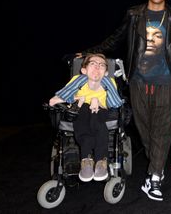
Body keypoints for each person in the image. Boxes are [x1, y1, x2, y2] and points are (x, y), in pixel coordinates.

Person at [78, 0, 171, 201]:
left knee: (163, 130)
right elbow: (115, 38)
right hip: (138, 81)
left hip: (166, 82)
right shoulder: (134, 14)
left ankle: (155, 176)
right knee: (145, 130)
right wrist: (88, 53)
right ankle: (157, 164)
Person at [49, 53, 123, 183]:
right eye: (93, 64)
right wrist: (78, 99)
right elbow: (59, 97)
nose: (97, 67)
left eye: (101, 65)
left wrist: (96, 101)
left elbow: (115, 103)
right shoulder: (78, 80)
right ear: (84, 70)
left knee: (96, 117)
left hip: (102, 111)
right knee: (84, 110)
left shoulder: (109, 82)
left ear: (106, 72)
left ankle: (101, 160)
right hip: (81, 112)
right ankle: (87, 161)